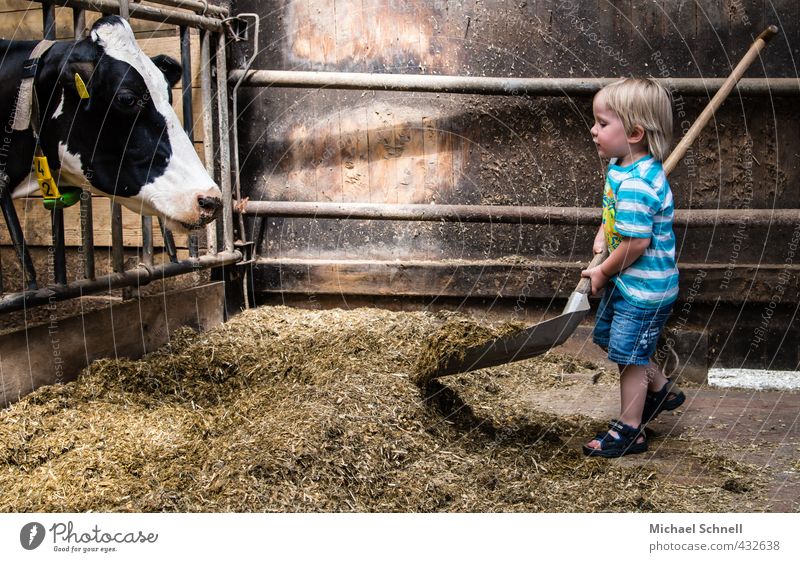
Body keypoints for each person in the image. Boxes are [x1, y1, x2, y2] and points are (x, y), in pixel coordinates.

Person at [580, 78, 686, 458]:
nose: (593, 129)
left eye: (603, 123)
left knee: (629, 356)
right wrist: (602, 232)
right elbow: (614, 212)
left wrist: (603, 271)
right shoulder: (619, 165)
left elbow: (637, 243)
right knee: (613, 341)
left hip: (644, 289)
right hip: (628, 284)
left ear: (636, 132)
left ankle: (630, 431)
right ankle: (659, 391)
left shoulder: (640, 183)